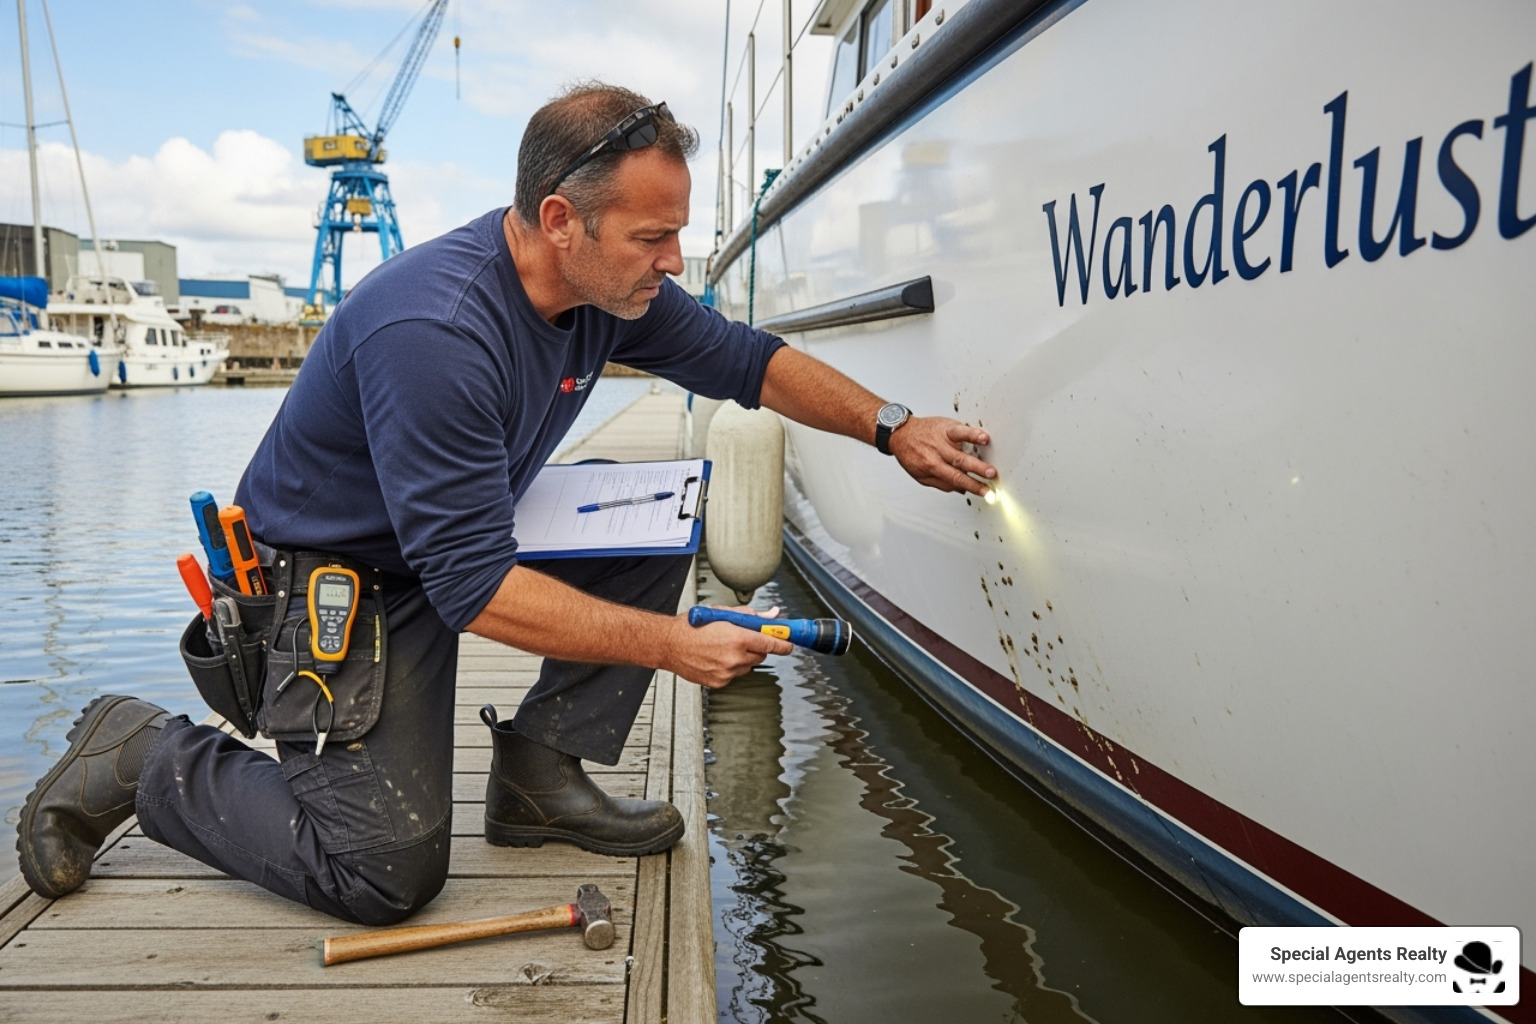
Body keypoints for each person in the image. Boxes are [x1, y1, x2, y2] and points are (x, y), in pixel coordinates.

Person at [15, 82, 996, 924]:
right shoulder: (437, 332)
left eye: (679, 234)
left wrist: (890, 424)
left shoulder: (607, 295)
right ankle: (142, 756)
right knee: (382, 871)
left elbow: (748, 361)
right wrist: (672, 645)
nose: (674, 262)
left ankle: (539, 774)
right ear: (562, 220)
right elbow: (476, 590)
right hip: (341, 579)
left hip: (445, 543)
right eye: (654, 238)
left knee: (661, 510)